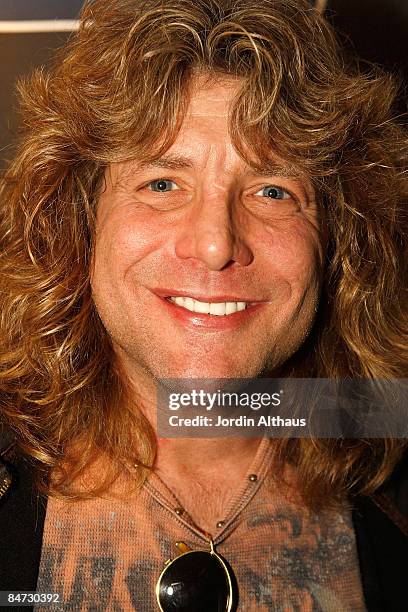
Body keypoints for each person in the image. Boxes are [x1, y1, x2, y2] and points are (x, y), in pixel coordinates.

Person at [0, 0, 407, 610]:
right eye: (162, 183)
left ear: (338, 243)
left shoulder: (390, 470)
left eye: (273, 190)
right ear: (78, 222)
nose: (216, 244)